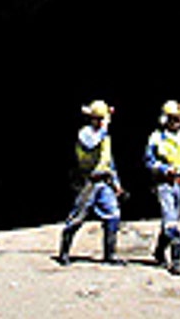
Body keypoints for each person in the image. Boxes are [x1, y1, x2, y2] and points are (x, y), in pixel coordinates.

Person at [57, 99, 123, 265]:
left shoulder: (105, 136)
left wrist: (116, 183)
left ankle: (110, 254)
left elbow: (109, 160)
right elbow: (90, 144)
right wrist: (103, 128)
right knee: (77, 218)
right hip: (88, 182)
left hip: (104, 181)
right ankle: (64, 252)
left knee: (113, 216)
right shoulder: (85, 133)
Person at [144, 100, 180, 275]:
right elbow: (149, 160)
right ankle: (176, 261)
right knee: (171, 223)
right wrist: (164, 169)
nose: (176, 122)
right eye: (172, 119)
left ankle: (158, 251)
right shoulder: (156, 137)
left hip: (179, 183)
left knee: (171, 221)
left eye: (178, 119)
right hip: (164, 184)